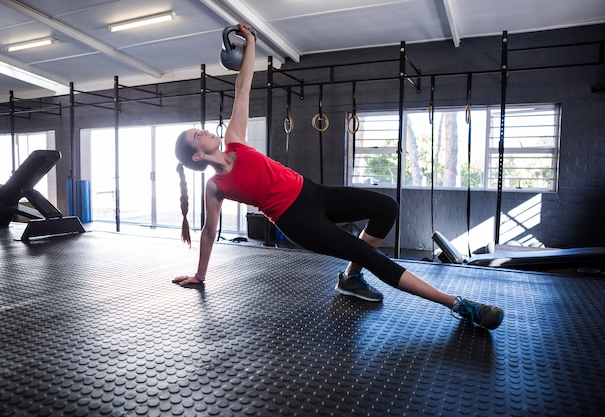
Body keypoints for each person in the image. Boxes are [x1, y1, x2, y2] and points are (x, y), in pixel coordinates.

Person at [173, 24, 504, 330]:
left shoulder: (235, 138)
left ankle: (349, 278)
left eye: (198, 129)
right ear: (198, 156)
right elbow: (209, 231)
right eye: (196, 136)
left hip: (313, 192)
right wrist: (200, 276)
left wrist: (252, 44)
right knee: (369, 253)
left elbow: (242, 87)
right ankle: (459, 306)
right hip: (295, 218)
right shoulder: (216, 186)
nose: (202, 131)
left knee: (385, 207)